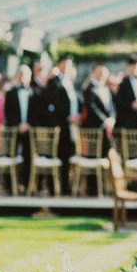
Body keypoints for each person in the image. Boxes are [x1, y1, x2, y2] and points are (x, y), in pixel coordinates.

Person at [45, 58, 81, 194]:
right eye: (64, 65)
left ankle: (65, 186)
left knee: (67, 156)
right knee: (56, 155)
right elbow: (53, 103)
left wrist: (76, 115)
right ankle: (53, 188)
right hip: (59, 125)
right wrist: (67, 115)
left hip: (70, 126)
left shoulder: (70, 82)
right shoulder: (54, 82)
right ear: (59, 65)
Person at [2, 66, 35, 192]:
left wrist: (28, 125)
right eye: (20, 74)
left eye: (25, 75)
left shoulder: (34, 93)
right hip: (13, 130)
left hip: (29, 131)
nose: (22, 78)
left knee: (28, 157)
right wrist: (17, 125)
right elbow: (8, 113)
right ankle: (9, 186)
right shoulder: (10, 93)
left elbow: (37, 114)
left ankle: (27, 186)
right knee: (10, 156)